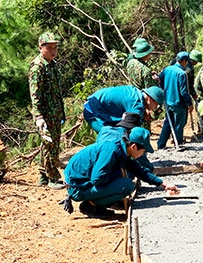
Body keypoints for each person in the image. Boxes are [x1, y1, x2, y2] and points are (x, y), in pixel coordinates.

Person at [63, 127, 178, 217]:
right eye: (143, 151)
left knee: (125, 178)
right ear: (133, 146)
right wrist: (119, 173)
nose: (143, 154)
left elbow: (140, 171)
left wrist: (163, 184)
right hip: (77, 187)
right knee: (126, 185)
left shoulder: (122, 150)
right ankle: (90, 206)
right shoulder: (112, 151)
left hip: (81, 182)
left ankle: (99, 201)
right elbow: (97, 179)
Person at [28, 32, 66, 190]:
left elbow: (56, 92)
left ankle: (43, 175)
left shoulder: (52, 64)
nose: (53, 50)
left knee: (50, 145)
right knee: (50, 145)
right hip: (45, 115)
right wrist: (38, 116)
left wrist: (61, 113)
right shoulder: (38, 67)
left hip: (55, 113)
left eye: (55, 47)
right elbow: (34, 94)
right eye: (49, 47)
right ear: (40, 48)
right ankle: (53, 178)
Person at [83, 85, 164, 133]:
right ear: (150, 99)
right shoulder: (136, 104)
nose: (155, 108)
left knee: (116, 132)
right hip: (93, 111)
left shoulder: (136, 92)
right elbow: (133, 132)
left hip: (98, 105)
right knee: (108, 136)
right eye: (156, 104)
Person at [157, 51, 193, 149]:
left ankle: (161, 144)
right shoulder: (181, 73)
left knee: (168, 122)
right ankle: (178, 143)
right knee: (179, 124)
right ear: (184, 61)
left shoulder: (167, 69)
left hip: (168, 101)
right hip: (178, 102)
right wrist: (189, 103)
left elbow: (159, 80)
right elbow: (184, 91)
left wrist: (165, 90)